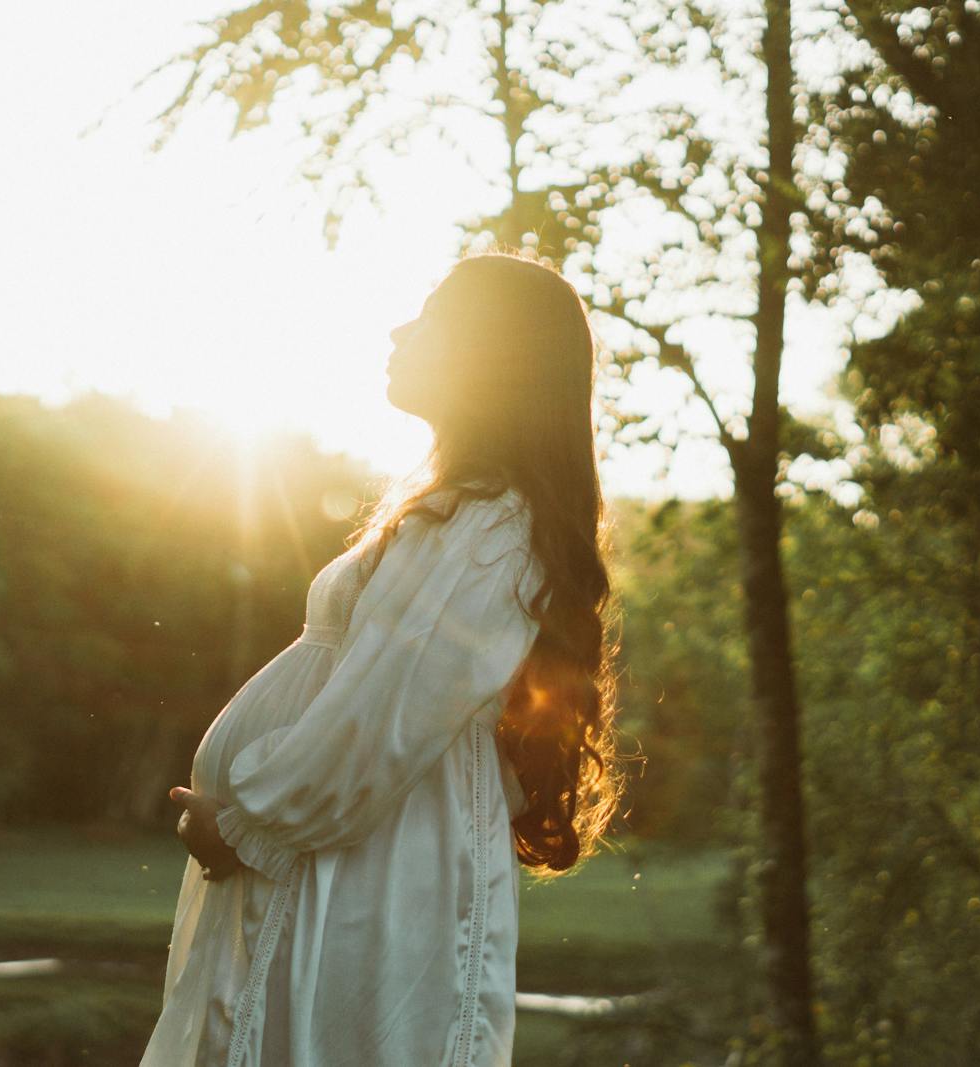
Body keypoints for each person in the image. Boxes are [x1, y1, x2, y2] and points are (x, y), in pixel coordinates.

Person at [140, 249, 625, 1066]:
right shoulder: (462, 513)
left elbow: (386, 715)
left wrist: (253, 821)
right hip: (339, 859)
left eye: (432, 316)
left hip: (367, 872)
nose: (402, 330)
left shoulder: (491, 531)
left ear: (490, 356)